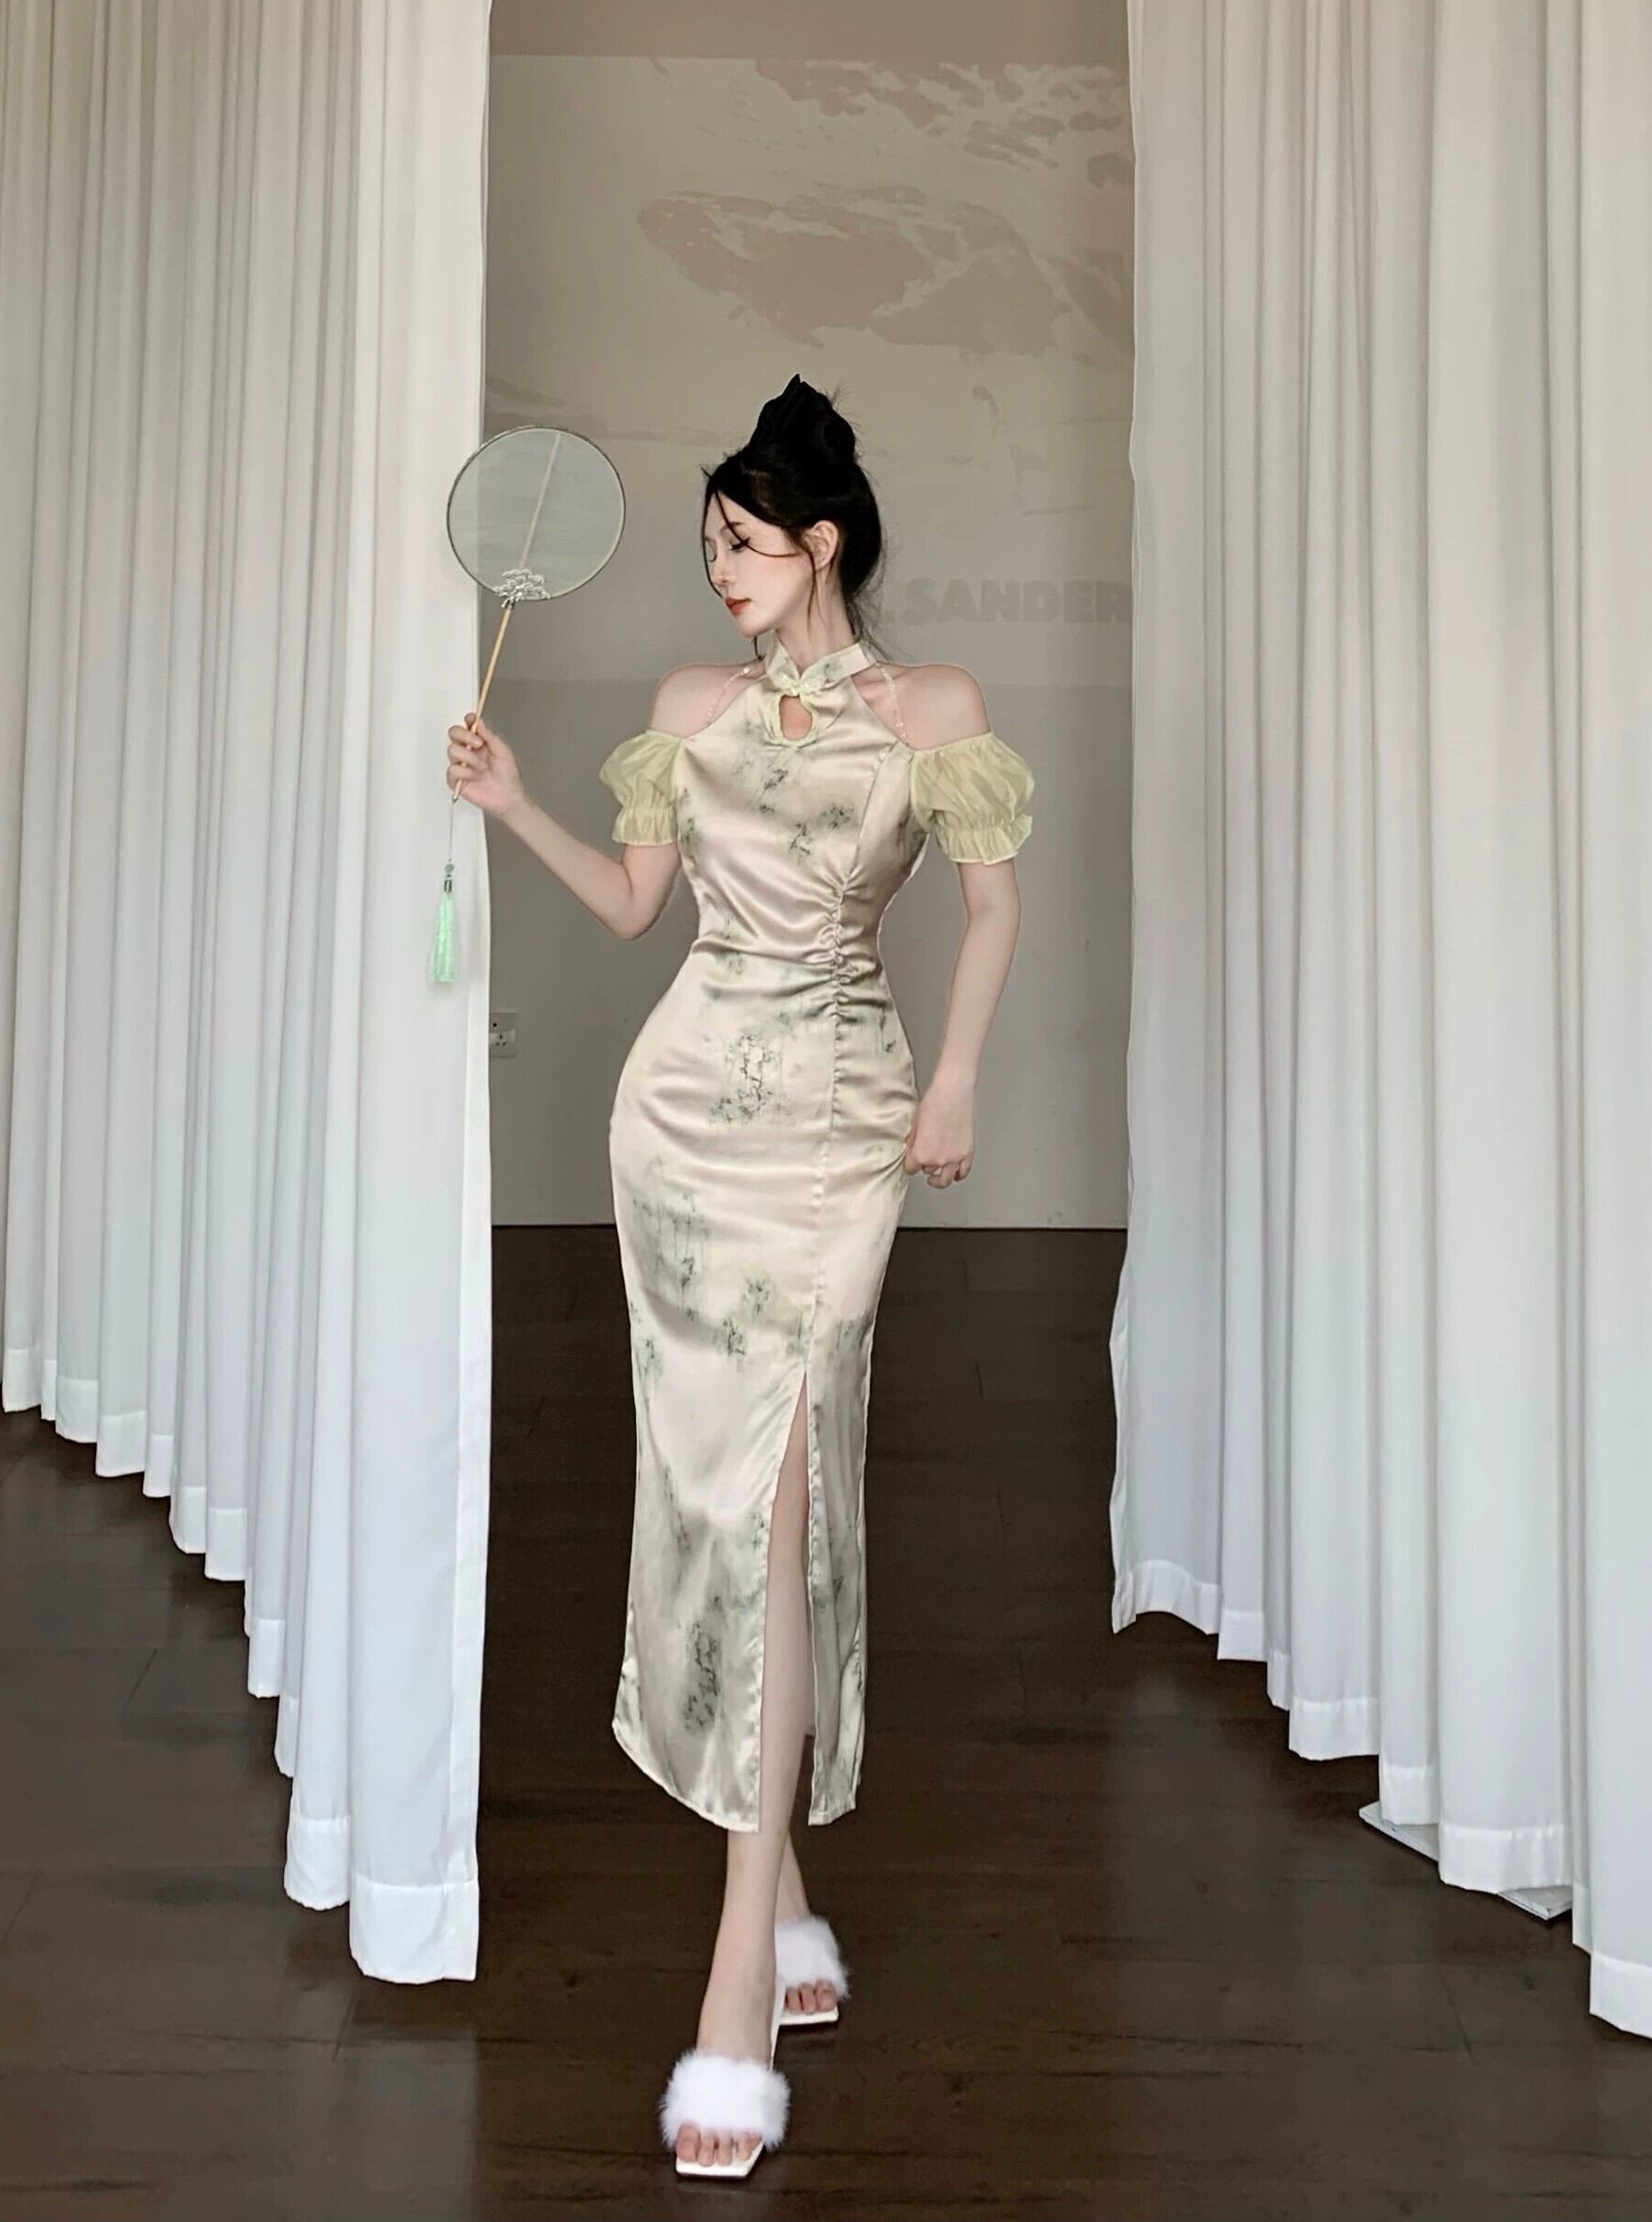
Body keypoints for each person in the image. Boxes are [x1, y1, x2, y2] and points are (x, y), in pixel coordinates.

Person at [446, 375, 1034, 2178]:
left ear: (820, 542)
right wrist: (511, 801)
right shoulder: (687, 709)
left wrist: (954, 1078)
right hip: (682, 1127)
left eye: (744, 542)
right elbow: (639, 910)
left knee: (781, 1493)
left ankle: (733, 1987)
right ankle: (778, 1906)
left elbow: (993, 907)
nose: (720, 570)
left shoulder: (933, 711)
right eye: (713, 544)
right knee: (721, 1503)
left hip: (842, 1129)